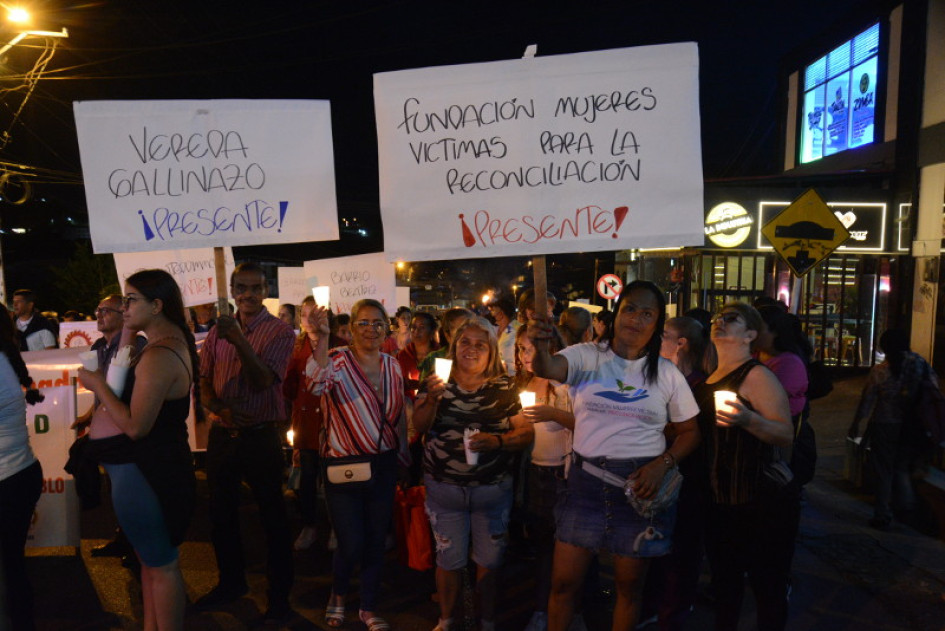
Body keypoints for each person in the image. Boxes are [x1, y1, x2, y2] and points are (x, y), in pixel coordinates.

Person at [528, 280, 701, 631]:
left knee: (629, 589)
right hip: (585, 484)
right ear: (618, 311)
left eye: (647, 313)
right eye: (630, 309)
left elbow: (690, 432)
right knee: (563, 585)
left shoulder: (666, 373)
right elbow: (546, 368)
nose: (636, 319)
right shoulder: (586, 355)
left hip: (639, 488)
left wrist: (661, 465)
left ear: (656, 324)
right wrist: (541, 342)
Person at [77, 269, 201, 631]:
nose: (123, 306)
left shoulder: (160, 355)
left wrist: (98, 386)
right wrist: (130, 327)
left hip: (149, 473)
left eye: (131, 299)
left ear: (157, 305)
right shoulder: (165, 343)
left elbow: (135, 426)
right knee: (151, 562)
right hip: (147, 471)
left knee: (161, 566)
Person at [413, 316, 533, 631]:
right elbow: (419, 426)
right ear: (454, 346)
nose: (472, 349)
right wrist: (432, 399)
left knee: (489, 562)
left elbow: (525, 434)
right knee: (448, 559)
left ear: (491, 351)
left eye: (481, 344)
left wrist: (498, 441)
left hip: (491, 490)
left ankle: (488, 621)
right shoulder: (437, 380)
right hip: (445, 488)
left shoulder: (505, 386)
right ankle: (447, 620)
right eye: (465, 342)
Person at [196, 262, 296, 624]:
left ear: (266, 289)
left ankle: (280, 598)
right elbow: (204, 380)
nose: (249, 294)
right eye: (242, 287)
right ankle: (231, 583)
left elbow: (261, 381)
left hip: (260, 436)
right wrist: (219, 407)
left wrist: (238, 340)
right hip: (224, 435)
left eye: (256, 287)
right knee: (221, 516)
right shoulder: (215, 332)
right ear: (233, 290)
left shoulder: (281, 332)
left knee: (273, 518)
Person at [305, 299, 409, 631]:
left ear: (386, 328)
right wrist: (321, 340)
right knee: (351, 541)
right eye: (363, 323)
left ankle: (367, 606)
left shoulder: (393, 365)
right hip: (343, 465)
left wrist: (403, 453)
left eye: (378, 323)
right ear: (351, 328)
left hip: (384, 463)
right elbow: (315, 384)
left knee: (376, 538)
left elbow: (398, 415)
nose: (371, 330)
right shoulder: (336, 360)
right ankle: (337, 595)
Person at [693, 303, 796, 631]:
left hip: (758, 500)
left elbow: (784, 434)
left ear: (750, 335)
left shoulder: (756, 376)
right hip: (720, 500)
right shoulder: (710, 377)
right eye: (716, 319)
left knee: (767, 586)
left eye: (730, 319)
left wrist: (747, 419)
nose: (719, 323)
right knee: (726, 585)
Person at [641, 315, 714, 630]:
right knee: (658, 549)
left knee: (682, 553)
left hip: (689, 482)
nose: (657, 341)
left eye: (664, 335)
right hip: (661, 479)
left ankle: (672, 614)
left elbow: (696, 435)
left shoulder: (701, 386)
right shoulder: (663, 377)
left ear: (681, 343)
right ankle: (655, 607)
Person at [513, 325, 573, 631]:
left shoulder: (564, 384)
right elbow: (521, 428)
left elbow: (585, 424)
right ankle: (542, 607)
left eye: (532, 349)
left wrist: (553, 414)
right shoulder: (525, 382)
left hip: (561, 475)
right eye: (522, 349)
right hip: (534, 472)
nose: (526, 355)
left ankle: (561, 611)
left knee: (565, 548)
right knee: (541, 546)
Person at [81, 295, 147, 563]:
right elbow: (102, 391)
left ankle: (140, 548)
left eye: (105, 310)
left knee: (132, 491)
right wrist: (89, 415)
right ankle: (123, 538)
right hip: (107, 432)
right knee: (115, 489)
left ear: (123, 314)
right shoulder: (98, 346)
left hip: (127, 428)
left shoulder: (137, 347)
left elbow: (128, 392)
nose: (99, 315)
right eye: (97, 310)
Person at [849, 329, 934, 530]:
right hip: (912, 424)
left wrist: (856, 424)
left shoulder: (880, 371)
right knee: (902, 466)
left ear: (884, 348)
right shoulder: (920, 365)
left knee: (883, 470)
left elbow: (867, 401)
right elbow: (933, 388)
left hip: (884, 424)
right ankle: (906, 507)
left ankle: (882, 513)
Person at [0, 306, 44, 631]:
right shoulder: (7, 359)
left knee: (9, 564)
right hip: (19, 474)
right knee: (12, 562)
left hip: (8, 479)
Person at [282, 296, 328, 551]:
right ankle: (310, 525)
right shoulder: (296, 347)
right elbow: (288, 387)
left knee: (332, 478)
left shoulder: (338, 344)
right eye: (305, 316)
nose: (310, 321)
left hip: (331, 423)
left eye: (315, 315)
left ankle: (335, 527)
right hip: (305, 422)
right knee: (307, 478)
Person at [487, 296, 519, 376]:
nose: (492, 314)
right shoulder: (492, 330)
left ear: (501, 312)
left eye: (494, 310)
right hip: (494, 375)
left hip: (512, 375)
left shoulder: (518, 328)